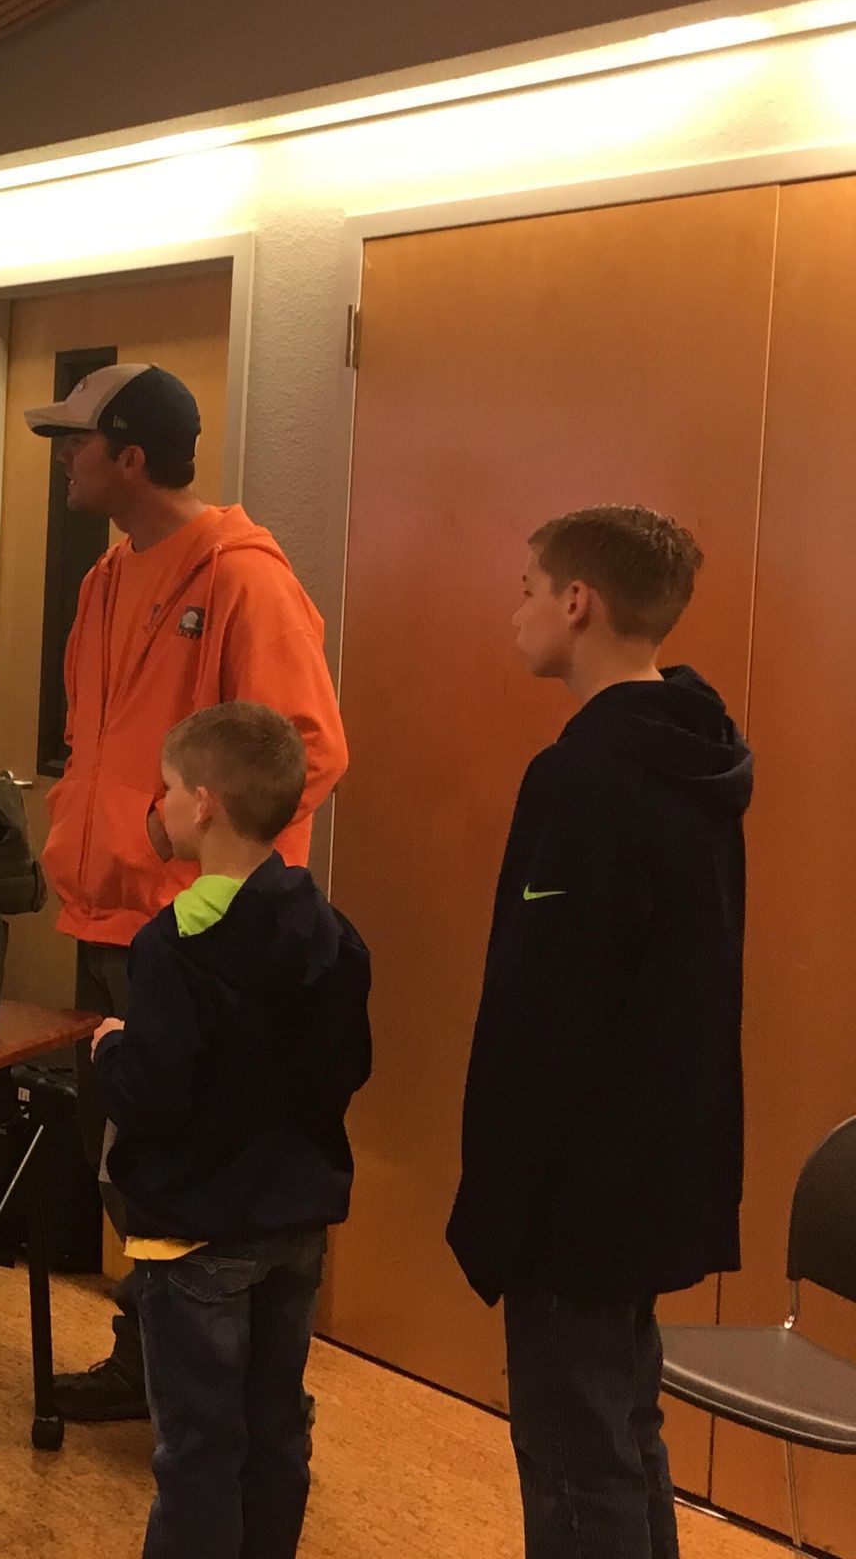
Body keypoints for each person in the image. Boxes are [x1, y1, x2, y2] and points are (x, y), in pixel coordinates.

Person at [26, 361, 350, 1420]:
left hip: (197, 931)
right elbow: (95, 743)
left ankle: (211, 1382)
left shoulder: (245, 580)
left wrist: (188, 865)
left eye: (74, 442)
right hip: (108, 915)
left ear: (130, 457)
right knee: (127, 1157)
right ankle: (154, 1356)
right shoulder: (105, 579)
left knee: (187, 1161)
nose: (62, 460)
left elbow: (306, 750)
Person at [448, 506, 750, 1559]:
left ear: (577, 601)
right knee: (622, 1431)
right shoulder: (695, 755)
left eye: (528, 589)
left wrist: (500, 1200)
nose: (517, 611)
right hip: (657, 1166)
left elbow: (546, 1013)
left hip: (577, 1191)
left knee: (577, 1457)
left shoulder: (583, 777)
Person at [88, 704, 372, 1559]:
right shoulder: (334, 936)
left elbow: (153, 1096)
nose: (163, 803)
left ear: (204, 805)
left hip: (195, 1235)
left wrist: (111, 1052)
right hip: (295, 1222)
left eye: (169, 788)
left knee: (198, 1450)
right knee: (276, 1429)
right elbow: (346, 1069)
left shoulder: (171, 947)